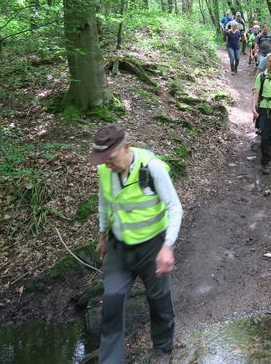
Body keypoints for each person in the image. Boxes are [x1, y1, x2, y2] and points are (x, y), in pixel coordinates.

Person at [89, 124, 183, 364]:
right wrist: (102, 236)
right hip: (118, 249)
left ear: (126, 148)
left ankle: (162, 351)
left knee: (158, 300)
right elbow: (104, 204)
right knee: (111, 302)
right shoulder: (105, 171)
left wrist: (167, 246)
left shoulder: (153, 168)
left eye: (110, 158)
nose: (106, 164)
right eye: (103, 160)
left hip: (153, 246)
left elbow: (175, 207)